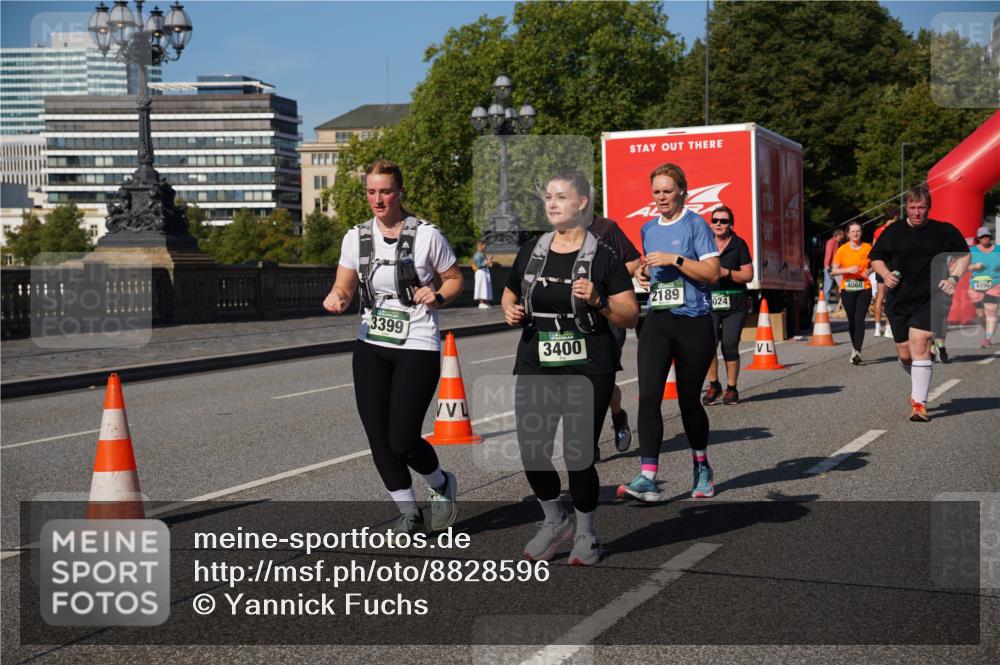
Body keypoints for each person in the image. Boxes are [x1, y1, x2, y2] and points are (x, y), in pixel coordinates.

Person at [502, 170, 638, 566]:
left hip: (589, 364)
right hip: (537, 360)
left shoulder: (604, 256)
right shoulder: (533, 250)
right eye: (548, 197)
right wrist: (510, 308)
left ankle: (587, 534)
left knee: (578, 454)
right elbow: (510, 290)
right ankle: (554, 520)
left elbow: (630, 314)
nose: (552, 203)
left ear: (582, 203)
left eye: (561, 197)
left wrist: (599, 300)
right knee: (532, 451)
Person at [323, 160, 463, 533]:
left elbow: (454, 279)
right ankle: (409, 512)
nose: (378, 199)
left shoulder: (427, 235)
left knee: (401, 439)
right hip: (371, 342)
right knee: (378, 437)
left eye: (385, 191)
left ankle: (440, 483)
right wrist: (337, 297)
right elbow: (344, 285)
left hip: (417, 342)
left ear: (400, 192)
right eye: (371, 192)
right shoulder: (355, 237)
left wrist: (437, 295)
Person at [619, 163, 721, 503]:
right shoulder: (648, 229)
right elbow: (653, 269)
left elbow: (712, 272)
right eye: (656, 192)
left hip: (694, 321)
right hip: (658, 319)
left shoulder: (696, 224)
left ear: (682, 192)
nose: (661, 197)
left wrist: (675, 259)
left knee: (688, 400)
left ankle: (701, 466)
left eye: (667, 191)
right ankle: (648, 476)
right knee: (648, 396)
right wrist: (644, 274)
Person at [869, 184, 970, 422]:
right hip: (900, 299)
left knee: (920, 342)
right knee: (906, 355)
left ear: (928, 208)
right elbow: (876, 258)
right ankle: (919, 378)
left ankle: (919, 404)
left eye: (922, 208)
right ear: (906, 207)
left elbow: (964, 255)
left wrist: (954, 278)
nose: (917, 212)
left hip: (932, 298)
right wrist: (885, 274)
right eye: (913, 207)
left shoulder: (944, 231)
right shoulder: (893, 232)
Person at [582, 182, 644, 452]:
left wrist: (605, 284)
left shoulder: (606, 228)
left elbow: (634, 262)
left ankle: (617, 415)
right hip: (574, 315)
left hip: (608, 312)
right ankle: (588, 441)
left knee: (600, 377)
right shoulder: (558, 234)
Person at [702, 205, 753, 405]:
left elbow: (748, 275)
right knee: (708, 345)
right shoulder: (704, 243)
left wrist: (726, 273)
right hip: (709, 301)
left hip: (735, 302)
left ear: (730, 224)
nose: (719, 224)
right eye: (715, 220)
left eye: (723, 221)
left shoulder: (739, 244)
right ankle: (714, 385)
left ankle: (732, 388)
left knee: (730, 345)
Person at [831, 221, 873, 364]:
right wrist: (847, 270)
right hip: (848, 287)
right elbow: (834, 271)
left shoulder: (868, 248)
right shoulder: (842, 250)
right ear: (848, 234)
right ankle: (854, 347)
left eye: (858, 231)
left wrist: (870, 270)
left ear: (861, 233)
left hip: (864, 287)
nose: (856, 234)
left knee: (859, 319)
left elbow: (876, 264)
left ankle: (857, 351)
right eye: (853, 231)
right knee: (852, 321)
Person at [968, 225, 1000, 348]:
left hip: (995, 284)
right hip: (977, 286)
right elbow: (963, 266)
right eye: (982, 237)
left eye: (987, 236)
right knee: (981, 315)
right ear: (978, 238)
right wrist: (974, 266)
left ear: (990, 237)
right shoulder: (972, 251)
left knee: (991, 309)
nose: (985, 238)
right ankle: (988, 331)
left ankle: (987, 339)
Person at [872, 207, 899, 337]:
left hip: (880, 265)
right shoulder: (896, 230)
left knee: (880, 296)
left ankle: (877, 328)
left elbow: (873, 250)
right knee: (891, 297)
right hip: (892, 265)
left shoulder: (878, 231)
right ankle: (888, 328)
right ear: (895, 216)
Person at [823, 228, 846, 306]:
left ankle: (842, 304)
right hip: (831, 267)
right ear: (837, 235)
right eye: (841, 235)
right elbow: (828, 254)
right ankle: (825, 305)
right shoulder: (831, 242)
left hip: (838, 267)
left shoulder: (839, 243)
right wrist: (827, 267)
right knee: (828, 286)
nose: (843, 237)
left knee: (841, 285)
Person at [471, 241, 494, 308]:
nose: (485, 247)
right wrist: (488, 262)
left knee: (485, 287)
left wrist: (489, 261)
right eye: (484, 246)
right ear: (480, 246)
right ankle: (481, 302)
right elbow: (479, 265)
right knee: (481, 287)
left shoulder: (482, 254)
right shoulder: (477, 255)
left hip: (484, 272)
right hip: (480, 272)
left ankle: (485, 301)